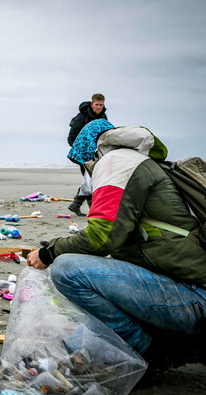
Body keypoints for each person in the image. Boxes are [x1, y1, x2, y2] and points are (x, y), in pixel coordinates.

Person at [27, 120, 206, 382]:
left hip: (194, 296)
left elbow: (102, 237)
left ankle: (147, 350)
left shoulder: (116, 163)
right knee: (83, 335)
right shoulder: (139, 161)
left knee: (68, 270)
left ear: (89, 151)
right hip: (188, 289)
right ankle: (173, 340)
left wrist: (48, 253)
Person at [67, 93, 108, 216]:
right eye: (97, 105)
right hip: (83, 154)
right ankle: (93, 209)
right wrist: (80, 150)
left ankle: (76, 204)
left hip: (97, 153)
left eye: (101, 105)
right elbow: (72, 137)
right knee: (90, 179)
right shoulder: (82, 117)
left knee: (90, 179)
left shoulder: (103, 117)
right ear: (92, 104)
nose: (99, 107)